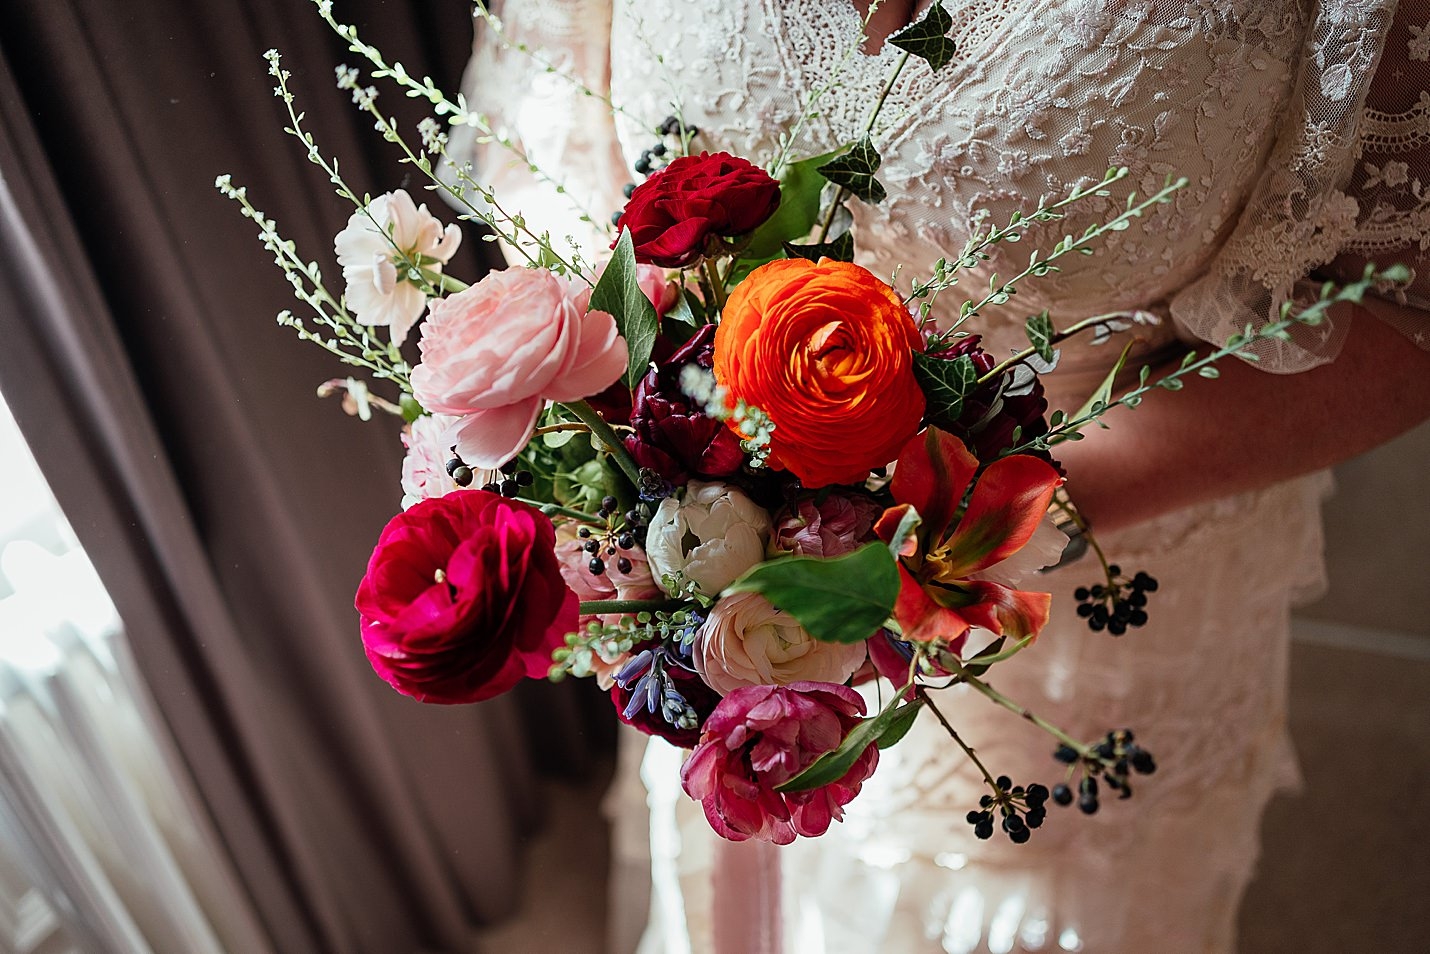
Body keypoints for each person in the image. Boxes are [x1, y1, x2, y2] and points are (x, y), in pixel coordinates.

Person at [449, 1, 1430, 950]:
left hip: (1084, 605)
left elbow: (1402, 310)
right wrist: (634, 415)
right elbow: (549, 93)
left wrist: (975, 521)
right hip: (718, 564)